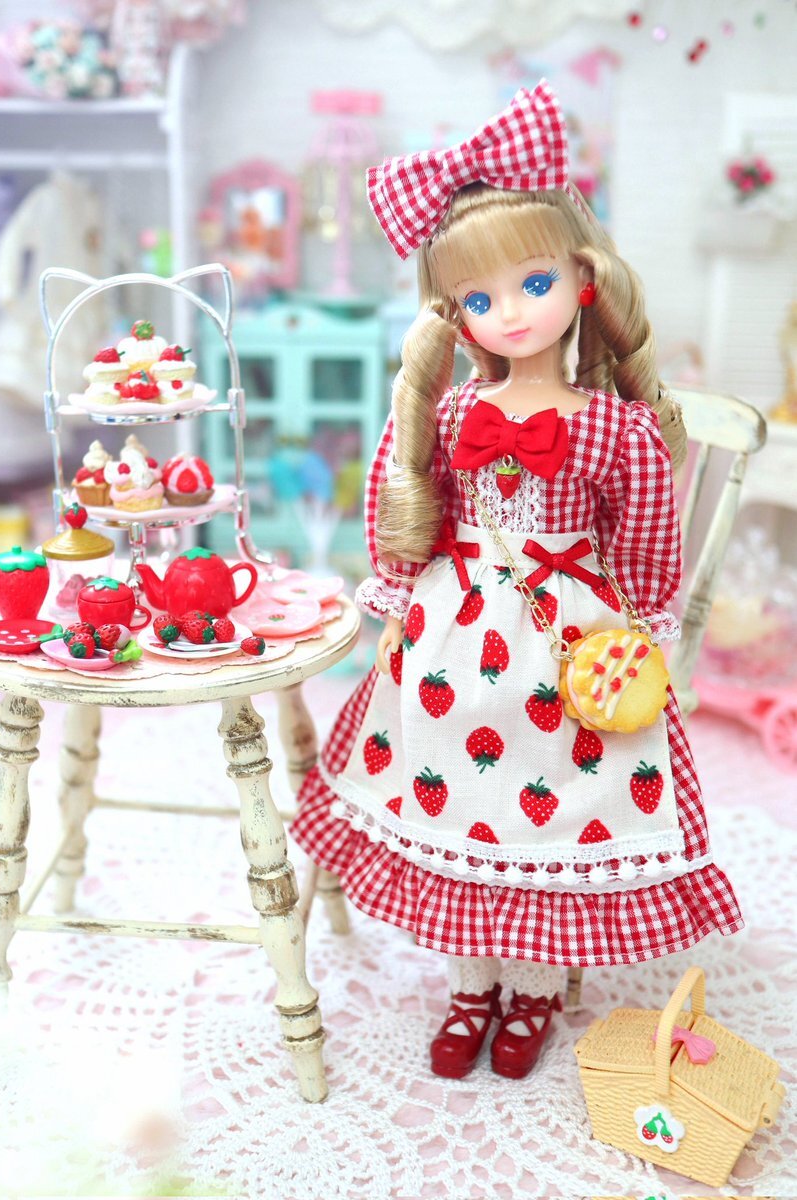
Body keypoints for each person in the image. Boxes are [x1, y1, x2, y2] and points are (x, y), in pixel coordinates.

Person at [288, 81, 742, 1081]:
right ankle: (469, 988)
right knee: (451, 785)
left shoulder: (616, 427)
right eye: (478, 300)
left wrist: (643, 626)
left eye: (532, 283)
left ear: (581, 279)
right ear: (453, 315)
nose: (508, 313)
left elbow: (646, 537)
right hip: (453, 626)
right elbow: (405, 500)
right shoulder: (447, 415)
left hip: (569, 630)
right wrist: (398, 594)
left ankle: (531, 991)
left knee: (558, 785)